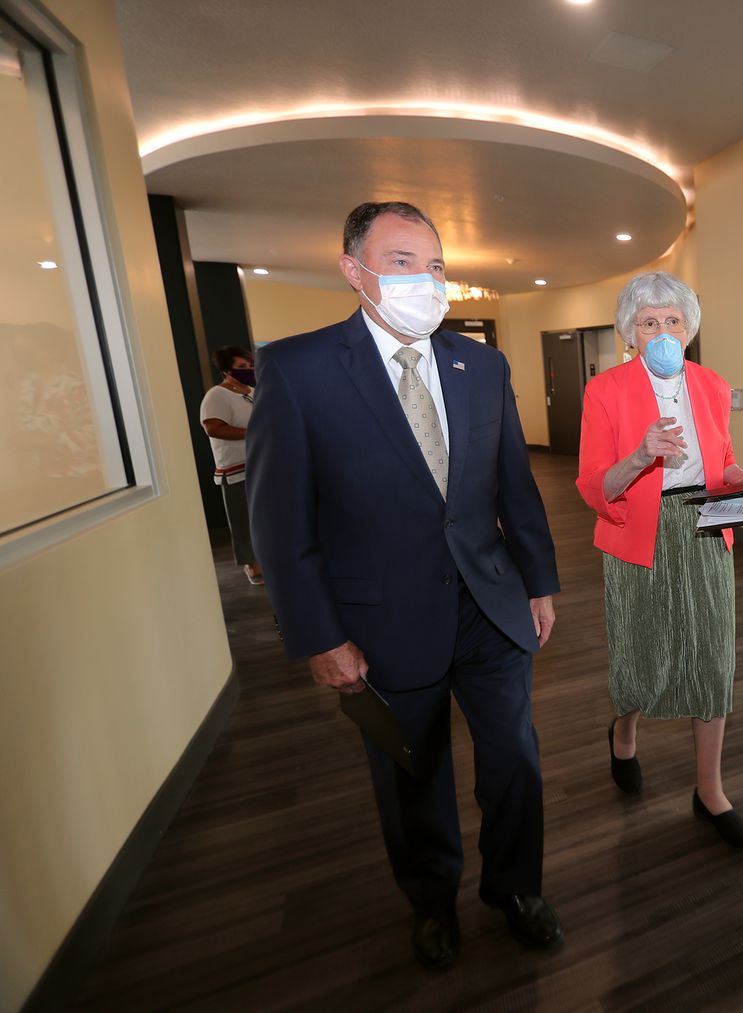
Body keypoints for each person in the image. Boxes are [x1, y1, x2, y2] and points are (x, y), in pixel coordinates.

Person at [246, 201, 562, 971]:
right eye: (402, 262)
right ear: (354, 271)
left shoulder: (482, 366)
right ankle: (432, 899)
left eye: (436, 264)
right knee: (411, 774)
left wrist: (539, 582)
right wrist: (320, 636)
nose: (427, 280)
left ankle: (516, 886)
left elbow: (515, 487)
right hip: (381, 621)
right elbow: (280, 524)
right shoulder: (298, 370)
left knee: (515, 761)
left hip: (489, 605)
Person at [576, 271, 743, 849]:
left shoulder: (712, 384)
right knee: (641, 655)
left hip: (703, 526)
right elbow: (594, 485)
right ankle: (624, 732)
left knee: (712, 658)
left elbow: (722, 463)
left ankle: (710, 790)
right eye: (649, 322)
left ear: (688, 329)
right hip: (636, 532)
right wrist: (640, 456)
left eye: (672, 320)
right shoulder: (605, 390)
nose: (662, 331)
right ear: (630, 333)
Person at [199, 345, 261, 584]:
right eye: (242, 366)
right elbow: (213, 428)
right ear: (227, 370)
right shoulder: (217, 395)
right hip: (236, 467)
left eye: (250, 365)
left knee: (264, 516)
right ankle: (252, 564)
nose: (249, 369)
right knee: (243, 517)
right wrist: (253, 433)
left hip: (260, 462)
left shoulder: (253, 391)